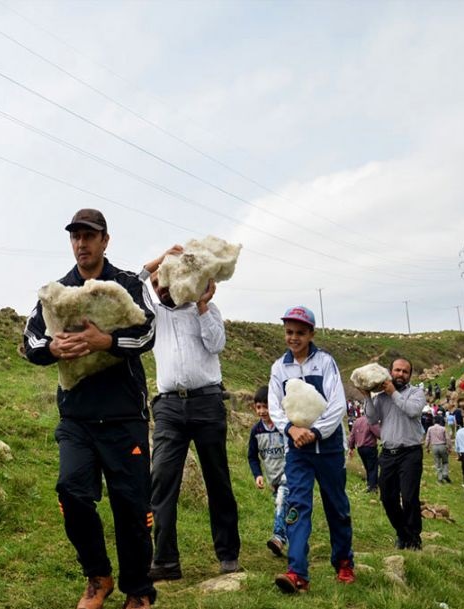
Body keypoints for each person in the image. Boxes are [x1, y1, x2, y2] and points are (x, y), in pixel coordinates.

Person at [23, 209, 156, 609]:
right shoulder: (57, 291)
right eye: (76, 237)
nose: (81, 243)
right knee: (71, 490)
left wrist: (108, 343)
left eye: (89, 236)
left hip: (124, 416)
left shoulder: (128, 283)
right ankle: (98, 576)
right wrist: (52, 348)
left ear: (105, 241)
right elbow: (29, 340)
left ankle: (138, 590)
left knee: (131, 506)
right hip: (77, 417)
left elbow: (148, 332)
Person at [139, 245, 240, 580]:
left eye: (167, 281)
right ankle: (166, 561)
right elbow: (131, 286)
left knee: (217, 478)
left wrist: (202, 305)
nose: (162, 288)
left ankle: (228, 554)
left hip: (208, 403)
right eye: (158, 284)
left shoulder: (208, 310)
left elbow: (216, 345)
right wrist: (157, 261)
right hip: (168, 405)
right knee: (162, 481)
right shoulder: (155, 313)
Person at [268, 306, 354, 593]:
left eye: (300, 333)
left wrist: (316, 432)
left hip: (328, 449)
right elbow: (275, 405)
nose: (294, 338)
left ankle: (343, 562)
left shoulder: (326, 363)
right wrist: (291, 430)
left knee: (336, 506)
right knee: (297, 507)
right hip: (297, 451)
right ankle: (297, 573)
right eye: (289, 332)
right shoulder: (279, 368)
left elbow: (337, 404)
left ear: (311, 334)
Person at [363, 358, 426, 551]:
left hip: (410, 453)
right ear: (390, 372)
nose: (400, 374)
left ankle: (414, 538)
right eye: (397, 370)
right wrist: (367, 396)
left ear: (410, 375)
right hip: (388, 454)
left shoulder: (417, 393)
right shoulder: (380, 397)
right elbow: (372, 419)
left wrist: (393, 393)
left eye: (405, 371)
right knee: (387, 498)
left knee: (408, 497)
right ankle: (402, 533)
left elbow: (413, 410)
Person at [247, 386, 288, 557]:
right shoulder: (256, 431)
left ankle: (278, 537)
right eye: (259, 407)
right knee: (284, 510)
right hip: (273, 480)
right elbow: (252, 456)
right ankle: (293, 541)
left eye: (266, 406)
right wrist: (258, 475)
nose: (262, 411)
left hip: (289, 476)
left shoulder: (284, 427)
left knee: (281, 502)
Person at [348, 414, 381, 492]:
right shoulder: (370, 420)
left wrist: (351, 447)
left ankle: (369, 483)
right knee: (373, 467)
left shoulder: (357, 421)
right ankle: (373, 487)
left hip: (360, 448)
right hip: (369, 447)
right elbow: (378, 433)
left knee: (367, 467)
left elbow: (352, 435)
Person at [425, 415, 452, 484]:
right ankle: (445, 474)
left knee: (437, 462)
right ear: (440, 421)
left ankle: (440, 478)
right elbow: (447, 439)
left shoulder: (430, 429)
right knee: (445, 461)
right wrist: (449, 447)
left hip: (434, 446)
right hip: (442, 446)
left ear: (434, 421)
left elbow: (427, 438)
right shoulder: (443, 428)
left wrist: (427, 447)